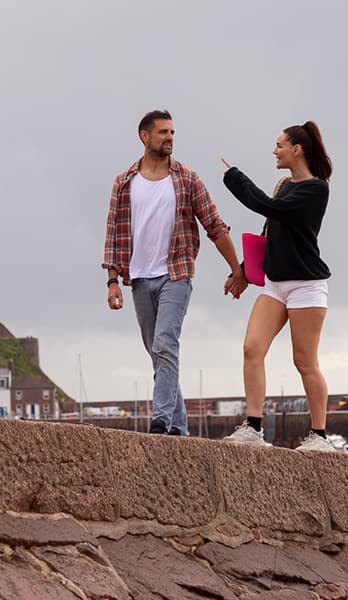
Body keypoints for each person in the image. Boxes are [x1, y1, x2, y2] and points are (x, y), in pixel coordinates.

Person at [103, 110, 248, 436]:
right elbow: (113, 234)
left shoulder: (187, 179)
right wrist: (113, 281)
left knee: (166, 344)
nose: (169, 138)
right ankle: (180, 430)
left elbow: (214, 225)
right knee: (158, 354)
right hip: (139, 278)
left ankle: (161, 421)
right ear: (145, 136)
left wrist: (237, 269)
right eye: (163, 132)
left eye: (172, 133)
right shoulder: (124, 182)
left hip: (176, 274)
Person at [220, 121, 333, 451]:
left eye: (279, 145)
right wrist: (242, 271)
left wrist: (235, 178)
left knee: (304, 362)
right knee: (252, 348)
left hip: (306, 286)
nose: (275, 150)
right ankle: (253, 428)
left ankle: (320, 436)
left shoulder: (316, 190)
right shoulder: (284, 185)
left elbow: (270, 208)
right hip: (274, 283)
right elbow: (270, 229)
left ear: (296, 149)